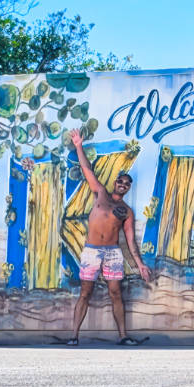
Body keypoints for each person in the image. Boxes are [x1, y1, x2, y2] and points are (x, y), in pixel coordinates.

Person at [67, 130, 152, 346]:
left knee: (116, 293)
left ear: (128, 188)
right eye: (121, 181)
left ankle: (123, 336)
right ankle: (74, 336)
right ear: (116, 182)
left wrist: (140, 265)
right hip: (92, 250)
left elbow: (131, 242)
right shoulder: (101, 194)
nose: (123, 185)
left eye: (127, 184)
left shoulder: (127, 211)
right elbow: (87, 170)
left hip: (113, 253)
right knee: (85, 293)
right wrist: (78, 145)